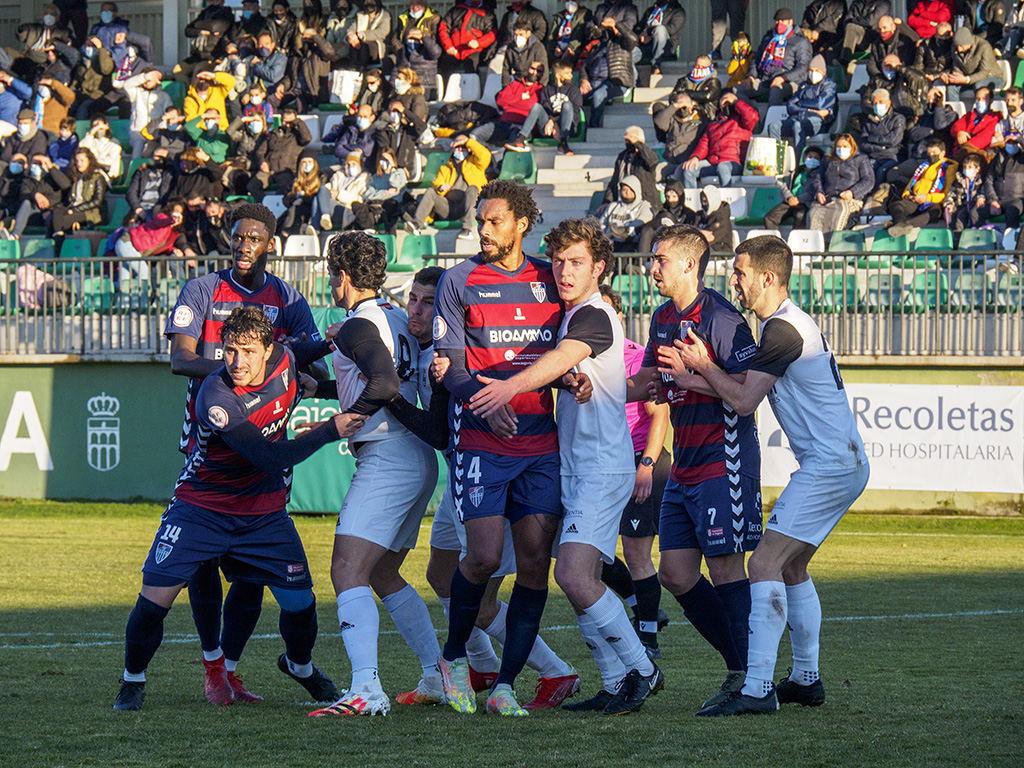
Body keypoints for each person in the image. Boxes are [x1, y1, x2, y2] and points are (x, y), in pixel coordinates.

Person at [112, 305, 363, 712]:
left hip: (262, 509)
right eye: (230, 350)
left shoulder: (287, 356)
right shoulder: (216, 394)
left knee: (301, 603)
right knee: (154, 600)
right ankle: (132, 681)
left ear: (269, 350)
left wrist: (345, 335)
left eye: (247, 351)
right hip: (202, 506)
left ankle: (299, 667)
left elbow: (310, 349)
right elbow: (266, 457)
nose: (237, 361)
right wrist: (328, 431)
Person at [468, 217, 664, 715]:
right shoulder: (569, 314)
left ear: (599, 267)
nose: (564, 270)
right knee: (578, 580)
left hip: (602, 468)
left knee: (575, 577)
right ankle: (616, 680)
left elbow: (564, 356)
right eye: (557, 261)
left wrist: (512, 386)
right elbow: (574, 370)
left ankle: (642, 668)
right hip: (573, 468)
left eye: (576, 262)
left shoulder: (593, 316)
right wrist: (569, 382)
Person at [671, 234, 869, 716]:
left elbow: (742, 401)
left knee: (761, 565)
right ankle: (806, 678)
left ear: (766, 277)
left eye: (738, 273)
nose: (732, 281)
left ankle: (757, 688)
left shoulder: (781, 331)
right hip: (840, 463)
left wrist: (701, 364)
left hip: (829, 465)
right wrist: (697, 376)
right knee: (791, 566)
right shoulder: (781, 328)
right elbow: (739, 386)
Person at [385, 268, 582, 710]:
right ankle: (479, 665)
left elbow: (438, 428)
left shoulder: (453, 352)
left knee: (486, 583)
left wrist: (389, 398)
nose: (417, 311)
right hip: (465, 470)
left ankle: (552, 670)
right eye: (412, 300)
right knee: (442, 575)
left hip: (493, 462)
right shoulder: (423, 350)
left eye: (427, 302)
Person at [431, 180, 570, 716]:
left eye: (493, 222)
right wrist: (486, 401)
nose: (482, 231)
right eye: (479, 222)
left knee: (536, 565)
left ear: (521, 224)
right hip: (480, 443)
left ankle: (508, 683)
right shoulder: (458, 279)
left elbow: (560, 355)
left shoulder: (548, 278)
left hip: (540, 444)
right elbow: (449, 368)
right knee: (484, 556)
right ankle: (453, 660)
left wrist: (570, 381)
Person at [623, 223, 761, 714]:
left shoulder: (721, 318)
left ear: (689, 265)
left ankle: (750, 680)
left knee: (726, 569)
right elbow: (648, 385)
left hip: (723, 464)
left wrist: (696, 372)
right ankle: (741, 666)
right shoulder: (662, 317)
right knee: (675, 574)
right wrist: (582, 384)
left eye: (659, 259)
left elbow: (746, 391)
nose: (651, 267)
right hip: (685, 465)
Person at [301, 232, 439, 717]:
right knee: (381, 571)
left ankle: (366, 689)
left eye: (329, 272)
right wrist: (318, 387)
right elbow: (381, 375)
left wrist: (348, 419)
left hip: (388, 454)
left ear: (341, 276)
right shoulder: (396, 316)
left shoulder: (360, 323)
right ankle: (435, 674)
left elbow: (384, 382)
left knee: (346, 569)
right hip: (413, 454)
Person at [597, 285, 671, 659]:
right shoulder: (581, 357)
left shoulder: (637, 358)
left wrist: (646, 465)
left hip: (641, 463)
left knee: (638, 554)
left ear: (620, 317)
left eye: (607, 312)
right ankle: (641, 604)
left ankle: (649, 639)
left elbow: (660, 414)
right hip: (602, 466)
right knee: (580, 552)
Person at [402, 133, 488, 240]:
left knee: (473, 189)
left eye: (463, 147)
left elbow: (485, 155)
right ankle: (417, 224)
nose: (460, 150)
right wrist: (441, 187)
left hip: (466, 206)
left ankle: (467, 229)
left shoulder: (476, 164)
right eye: (458, 146)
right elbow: (436, 184)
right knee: (430, 191)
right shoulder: (445, 167)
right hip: (448, 207)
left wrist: (467, 141)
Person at [680, 93, 758, 188]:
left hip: (734, 163)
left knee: (722, 167)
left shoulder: (742, 121)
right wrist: (695, 157)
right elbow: (703, 144)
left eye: (728, 100)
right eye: (723, 100)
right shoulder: (712, 125)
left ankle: (727, 198)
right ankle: (691, 200)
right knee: (688, 169)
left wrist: (735, 102)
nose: (726, 103)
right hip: (713, 163)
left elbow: (753, 116)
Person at [739, 8, 812, 106]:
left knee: (775, 90)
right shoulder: (768, 38)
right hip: (765, 79)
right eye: (777, 21)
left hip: (790, 81)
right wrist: (751, 76)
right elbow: (756, 59)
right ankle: (751, 117)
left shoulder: (801, 41)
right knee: (738, 89)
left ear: (790, 22)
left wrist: (784, 77)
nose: (779, 23)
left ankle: (772, 119)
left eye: (783, 21)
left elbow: (803, 67)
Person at [886, 136, 957, 237]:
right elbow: (911, 183)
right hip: (915, 200)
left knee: (935, 212)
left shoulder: (949, 168)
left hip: (932, 202)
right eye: (929, 153)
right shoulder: (923, 166)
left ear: (942, 153)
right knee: (896, 205)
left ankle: (903, 225)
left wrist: (926, 198)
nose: (931, 155)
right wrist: (907, 195)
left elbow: (946, 194)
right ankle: (899, 223)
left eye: (934, 153)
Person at [768, 55, 835, 157]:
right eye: (811, 70)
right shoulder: (803, 86)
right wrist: (808, 109)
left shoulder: (829, 85)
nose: (813, 73)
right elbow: (790, 105)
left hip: (816, 121)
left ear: (823, 72)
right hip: (797, 118)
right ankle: (778, 160)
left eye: (817, 70)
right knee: (774, 127)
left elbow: (820, 104)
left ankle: (798, 162)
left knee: (798, 126)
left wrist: (800, 104)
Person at [578, 11, 636, 128]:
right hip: (593, 82)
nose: (607, 30)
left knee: (598, 95)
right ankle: (573, 130)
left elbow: (633, 38)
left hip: (615, 82)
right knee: (573, 96)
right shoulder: (596, 46)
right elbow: (585, 67)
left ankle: (593, 128)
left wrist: (617, 24)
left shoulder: (622, 43)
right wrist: (584, 79)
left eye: (609, 28)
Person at [806, 135, 874, 234]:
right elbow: (818, 178)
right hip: (828, 198)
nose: (841, 149)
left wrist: (852, 192)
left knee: (838, 215)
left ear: (852, 147)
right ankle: (817, 244)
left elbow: (868, 180)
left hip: (850, 199)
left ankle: (833, 243)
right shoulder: (827, 161)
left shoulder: (861, 159)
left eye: (845, 146)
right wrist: (819, 192)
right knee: (813, 213)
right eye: (839, 146)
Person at [247, 107, 312, 202]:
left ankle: (277, 206)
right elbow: (260, 152)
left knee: (285, 188)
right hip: (268, 170)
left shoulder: (298, 136)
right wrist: (262, 162)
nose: (288, 125)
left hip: (285, 171)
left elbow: (307, 138)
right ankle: (265, 204)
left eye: (291, 122)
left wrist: (297, 122)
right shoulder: (272, 134)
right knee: (252, 186)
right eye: (286, 121)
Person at [49, 146, 108, 243]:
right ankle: (53, 247)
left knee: (56, 222)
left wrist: (75, 210)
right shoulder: (75, 177)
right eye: (77, 161)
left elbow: (97, 201)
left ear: (89, 161)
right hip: (73, 208)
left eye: (82, 160)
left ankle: (57, 247)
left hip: (90, 212)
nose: (79, 164)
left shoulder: (98, 177)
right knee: (55, 214)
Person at [390, 1, 442, 100]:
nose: (415, 7)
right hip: (405, 84)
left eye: (418, 4)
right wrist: (402, 49)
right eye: (412, 4)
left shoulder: (434, 17)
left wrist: (423, 38)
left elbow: (436, 51)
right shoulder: (403, 18)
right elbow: (395, 39)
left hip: (424, 86)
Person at [764, 146, 825, 230]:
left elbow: (813, 192)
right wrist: (789, 197)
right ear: (805, 158)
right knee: (769, 218)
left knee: (800, 216)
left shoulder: (819, 175)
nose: (812, 159)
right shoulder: (796, 172)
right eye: (810, 157)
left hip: (805, 204)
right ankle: (776, 241)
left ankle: (795, 241)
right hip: (789, 202)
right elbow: (784, 186)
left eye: (816, 158)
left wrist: (798, 199)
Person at [602, 126, 660, 210]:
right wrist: (607, 201)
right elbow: (614, 181)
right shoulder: (622, 157)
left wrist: (637, 144)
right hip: (623, 202)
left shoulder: (647, 156)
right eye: (626, 140)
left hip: (645, 203)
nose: (628, 142)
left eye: (631, 140)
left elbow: (652, 161)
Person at [943, 25, 1005, 103]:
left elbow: (984, 72)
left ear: (969, 43)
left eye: (961, 46)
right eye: (957, 46)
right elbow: (957, 66)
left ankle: (981, 111)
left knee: (979, 86)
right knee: (951, 87)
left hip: (991, 77)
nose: (959, 49)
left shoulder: (984, 47)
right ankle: (954, 112)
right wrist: (953, 77)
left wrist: (967, 79)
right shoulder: (955, 48)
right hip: (969, 78)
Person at [349, 148, 407, 232]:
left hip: (389, 207)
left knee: (389, 204)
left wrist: (393, 168)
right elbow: (368, 194)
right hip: (374, 207)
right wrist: (385, 193)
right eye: (382, 159)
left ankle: (370, 229)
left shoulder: (399, 173)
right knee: (356, 205)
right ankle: (369, 229)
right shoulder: (376, 177)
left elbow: (395, 187)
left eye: (387, 159)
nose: (384, 162)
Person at [654, 93, 706, 181]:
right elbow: (659, 121)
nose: (682, 110)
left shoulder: (701, 123)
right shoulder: (673, 119)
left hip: (686, 161)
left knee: (680, 173)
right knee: (654, 173)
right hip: (670, 161)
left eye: (684, 107)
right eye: (679, 107)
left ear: (691, 107)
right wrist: (674, 106)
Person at [438, 0, 497, 78]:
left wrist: (478, 43)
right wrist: (449, 46)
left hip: (475, 52)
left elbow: (492, 34)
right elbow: (443, 29)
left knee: (472, 68)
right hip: (454, 51)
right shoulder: (455, 11)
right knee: (444, 68)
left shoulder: (488, 14)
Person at [859, 88, 905, 186]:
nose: (878, 105)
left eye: (881, 102)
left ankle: (874, 197)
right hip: (872, 157)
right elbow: (863, 143)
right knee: (865, 171)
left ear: (888, 103)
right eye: (875, 103)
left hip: (891, 157)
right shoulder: (869, 121)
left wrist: (872, 138)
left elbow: (893, 140)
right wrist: (880, 147)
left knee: (881, 173)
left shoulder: (897, 119)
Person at [943, 152, 997, 232]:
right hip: (961, 205)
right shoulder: (958, 181)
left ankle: (974, 233)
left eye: (970, 167)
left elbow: (983, 191)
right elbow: (951, 193)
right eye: (965, 167)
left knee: (963, 215)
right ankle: (955, 235)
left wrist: (981, 198)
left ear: (977, 169)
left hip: (974, 204)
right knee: (950, 212)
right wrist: (949, 203)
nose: (967, 169)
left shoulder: (981, 181)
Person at [598, 175, 653, 251]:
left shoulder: (644, 206)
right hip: (610, 242)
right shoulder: (613, 206)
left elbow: (642, 223)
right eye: (624, 190)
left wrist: (615, 232)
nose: (627, 193)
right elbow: (602, 223)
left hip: (630, 243)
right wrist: (605, 235)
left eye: (631, 190)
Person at [317, 151, 368, 231]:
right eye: (348, 164)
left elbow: (360, 200)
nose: (351, 167)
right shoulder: (339, 176)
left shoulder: (365, 180)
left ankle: (316, 227)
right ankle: (323, 219)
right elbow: (328, 188)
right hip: (332, 205)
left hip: (347, 210)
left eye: (354, 164)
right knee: (321, 192)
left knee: (319, 201)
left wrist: (339, 195)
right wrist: (329, 192)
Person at [279, 153, 322, 237]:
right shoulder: (295, 179)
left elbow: (319, 196)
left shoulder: (321, 176)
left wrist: (302, 199)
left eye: (310, 162)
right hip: (295, 208)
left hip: (313, 209)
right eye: (304, 162)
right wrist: (295, 199)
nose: (307, 165)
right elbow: (285, 199)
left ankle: (287, 233)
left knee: (293, 211)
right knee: (285, 216)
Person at [637, 0, 686, 75]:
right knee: (628, 54)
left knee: (660, 29)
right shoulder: (650, 10)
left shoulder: (677, 11)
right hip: (646, 46)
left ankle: (656, 66)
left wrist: (649, 32)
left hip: (665, 47)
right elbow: (639, 27)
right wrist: (641, 35)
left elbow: (672, 29)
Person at [638, 180, 687, 253]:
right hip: (659, 241)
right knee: (647, 230)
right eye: (668, 197)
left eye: (674, 196)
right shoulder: (661, 211)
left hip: (678, 243)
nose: (670, 200)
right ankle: (641, 262)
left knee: (667, 216)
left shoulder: (687, 213)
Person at [951, 87, 1001, 154]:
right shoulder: (969, 116)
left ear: (991, 100)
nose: (980, 101)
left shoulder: (995, 117)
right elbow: (956, 126)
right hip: (960, 150)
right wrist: (959, 132)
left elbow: (985, 137)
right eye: (978, 99)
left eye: (984, 99)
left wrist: (966, 147)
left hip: (978, 152)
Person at [673, 55, 722, 122]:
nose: (699, 68)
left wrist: (686, 93)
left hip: (704, 114)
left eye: (703, 66)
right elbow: (674, 95)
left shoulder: (713, 82)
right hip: (682, 109)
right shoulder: (684, 80)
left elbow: (708, 95)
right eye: (697, 65)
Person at [503, 19, 550, 88]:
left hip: (533, 84)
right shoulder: (510, 48)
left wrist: (541, 88)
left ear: (528, 33)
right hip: (518, 82)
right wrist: (505, 87)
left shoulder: (538, 47)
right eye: (516, 35)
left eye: (521, 34)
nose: (518, 37)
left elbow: (544, 70)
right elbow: (505, 70)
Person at [548, 0, 592, 64]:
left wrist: (570, 47)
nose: (570, 2)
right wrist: (555, 47)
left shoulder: (585, 14)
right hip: (558, 51)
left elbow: (580, 34)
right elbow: (552, 35)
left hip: (575, 51)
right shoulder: (560, 16)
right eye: (567, 0)